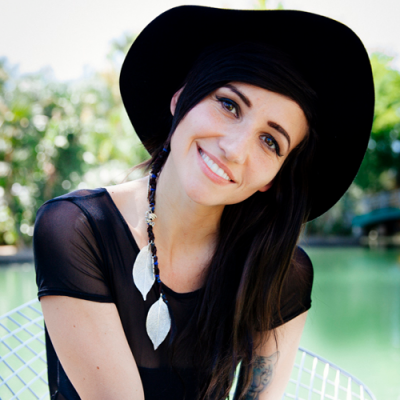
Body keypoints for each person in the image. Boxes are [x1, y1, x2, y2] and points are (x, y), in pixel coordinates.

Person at [33, 5, 374, 400]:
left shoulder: (281, 270)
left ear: (274, 178)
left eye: (270, 141)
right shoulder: (75, 230)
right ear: (180, 97)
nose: (235, 150)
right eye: (229, 105)